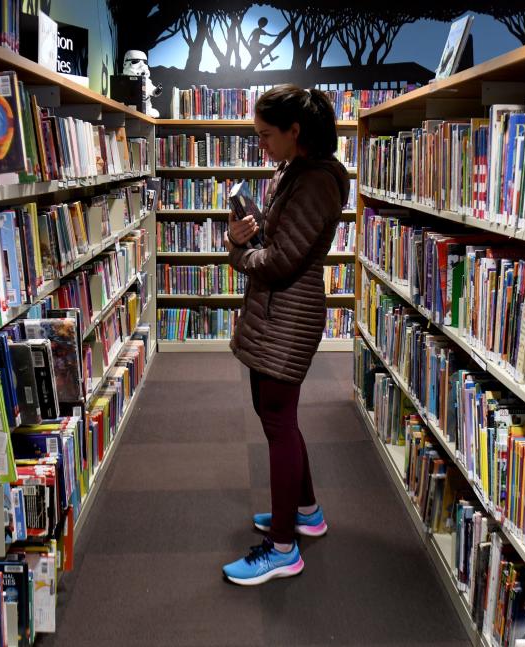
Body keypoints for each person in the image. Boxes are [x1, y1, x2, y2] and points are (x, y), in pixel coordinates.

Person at [222, 85, 350, 585]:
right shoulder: (299, 174)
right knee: (278, 417)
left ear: (295, 132)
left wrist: (239, 249)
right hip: (280, 313)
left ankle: (281, 548)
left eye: (266, 135)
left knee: (277, 421)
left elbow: (277, 263)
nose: (262, 146)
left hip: (288, 315)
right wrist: (255, 233)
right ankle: (305, 512)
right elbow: (280, 245)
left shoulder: (314, 183)